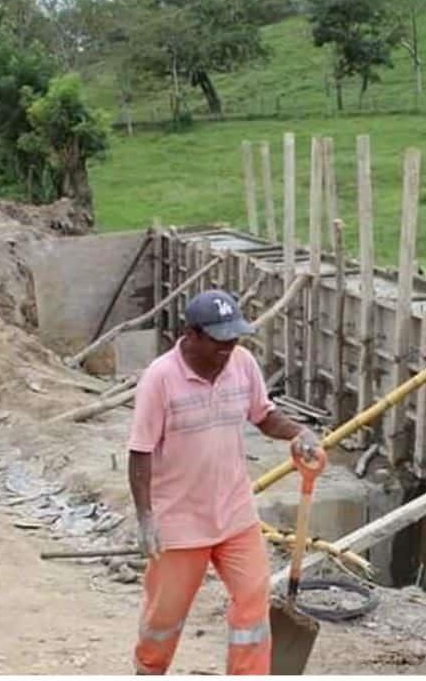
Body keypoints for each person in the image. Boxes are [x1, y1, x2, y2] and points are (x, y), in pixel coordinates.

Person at [127, 289, 322, 675]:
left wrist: (298, 433)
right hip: (180, 522)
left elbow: (263, 415)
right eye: (219, 339)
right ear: (192, 334)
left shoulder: (242, 363)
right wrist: (146, 517)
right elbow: (141, 450)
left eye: (234, 338)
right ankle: (148, 670)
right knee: (164, 617)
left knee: (253, 599)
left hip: (234, 513)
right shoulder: (160, 379)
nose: (228, 347)